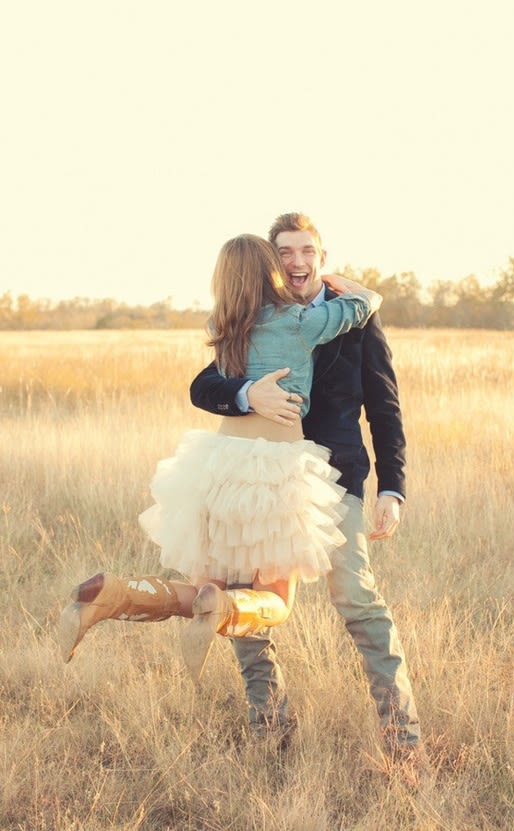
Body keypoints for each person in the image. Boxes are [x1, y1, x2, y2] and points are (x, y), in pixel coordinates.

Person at [60, 234, 382, 684]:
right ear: (272, 271)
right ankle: (227, 608)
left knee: (199, 589)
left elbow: (212, 384)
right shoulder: (299, 321)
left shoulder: (226, 326)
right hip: (276, 469)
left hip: (218, 466)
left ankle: (112, 594)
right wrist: (343, 281)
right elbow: (362, 305)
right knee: (275, 602)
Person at [190, 213, 425, 773]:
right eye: (285, 252)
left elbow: (384, 407)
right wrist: (248, 395)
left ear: (322, 256)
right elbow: (204, 384)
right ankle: (272, 730)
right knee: (245, 603)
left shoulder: (359, 323)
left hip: (334, 481)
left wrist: (393, 486)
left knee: (358, 601)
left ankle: (404, 742)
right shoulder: (257, 318)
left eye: (306, 251)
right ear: (274, 259)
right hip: (266, 482)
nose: (296, 262)